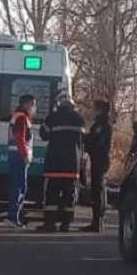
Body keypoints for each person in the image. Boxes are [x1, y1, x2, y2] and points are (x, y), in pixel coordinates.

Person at [37, 94, 85, 233]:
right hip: (71, 164)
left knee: (52, 194)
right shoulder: (78, 119)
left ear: (59, 105)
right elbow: (83, 141)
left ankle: (50, 224)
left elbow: (43, 134)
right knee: (69, 195)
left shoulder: (52, 117)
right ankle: (66, 224)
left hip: (54, 164)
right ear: (72, 106)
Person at [5, 95, 36, 229]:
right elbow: (20, 138)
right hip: (19, 156)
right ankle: (13, 217)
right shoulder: (22, 118)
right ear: (27, 104)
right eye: (33, 104)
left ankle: (13, 216)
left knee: (17, 185)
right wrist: (25, 155)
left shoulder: (18, 116)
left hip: (15, 155)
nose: (34, 108)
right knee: (19, 186)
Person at [82, 100, 112, 233]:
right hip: (99, 159)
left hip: (100, 159)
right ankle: (96, 221)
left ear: (99, 110)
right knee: (97, 189)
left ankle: (98, 222)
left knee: (98, 190)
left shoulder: (102, 125)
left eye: (94, 109)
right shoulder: (101, 124)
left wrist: (85, 139)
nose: (92, 111)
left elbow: (96, 142)